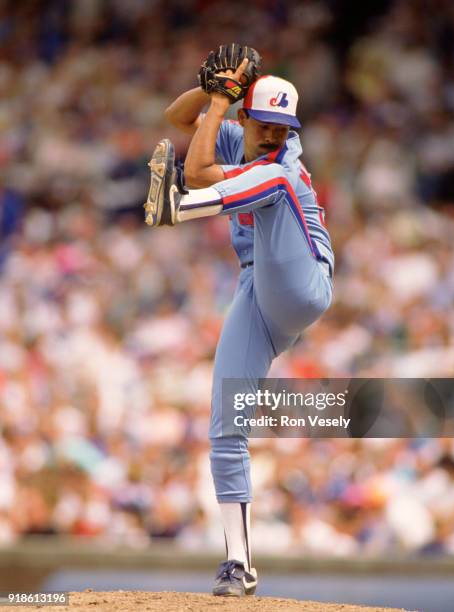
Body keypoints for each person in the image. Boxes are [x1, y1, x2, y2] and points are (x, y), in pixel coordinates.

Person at [145, 58, 334, 597]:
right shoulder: (234, 133)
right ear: (248, 120)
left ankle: (176, 209)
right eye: (265, 126)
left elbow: (201, 171)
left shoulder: (283, 162)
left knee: (274, 179)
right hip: (258, 294)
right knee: (226, 421)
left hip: (303, 280)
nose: (273, 135)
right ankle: (238, 563)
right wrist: (211, 92)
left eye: (283, 129)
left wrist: (224, 104)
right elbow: (178, 117)